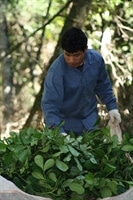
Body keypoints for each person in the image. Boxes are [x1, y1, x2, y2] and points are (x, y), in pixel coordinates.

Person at [41, 27, 121, 135]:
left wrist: (112, 107)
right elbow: (50, 105)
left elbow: (103, 85)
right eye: (67, 55)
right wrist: (59, 133)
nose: (71, 60)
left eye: (76, 55)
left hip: (90, 123)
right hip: (65, 126)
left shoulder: (96, 60)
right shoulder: (56, 72)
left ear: (85, 50)